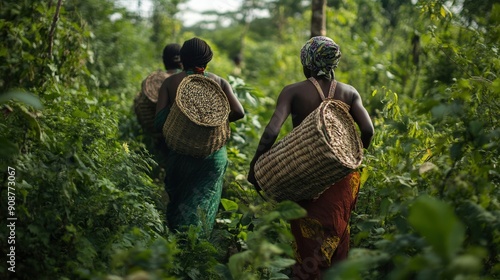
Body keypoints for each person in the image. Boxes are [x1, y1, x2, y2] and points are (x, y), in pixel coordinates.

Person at [247, 36, 374, 279]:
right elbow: (368, 131)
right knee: (337, 235)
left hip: (307, 178)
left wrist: (256, 165)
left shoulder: (293, 91)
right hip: (341, 180)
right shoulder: (349, 93)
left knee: (309, 241)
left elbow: (272, 131)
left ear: (307, 63)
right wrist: (351, 153)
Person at [155, 37, 245, 235]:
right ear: (207, 60)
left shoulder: (170, 83)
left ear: (183, 60)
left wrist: (184, 124)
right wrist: (214, 122)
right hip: (212, 156)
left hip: (181, 155)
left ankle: (180, 248)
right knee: (204, 200)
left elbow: (159, 122)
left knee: (180, 202)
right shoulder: (219, 81)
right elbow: (239, 112)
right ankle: (198, 248)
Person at [134, 43, 182, 170]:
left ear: (164, 60)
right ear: (183, 61)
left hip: (160, 138)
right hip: (184, 139)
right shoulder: (187, 81)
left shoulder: (153, 83)